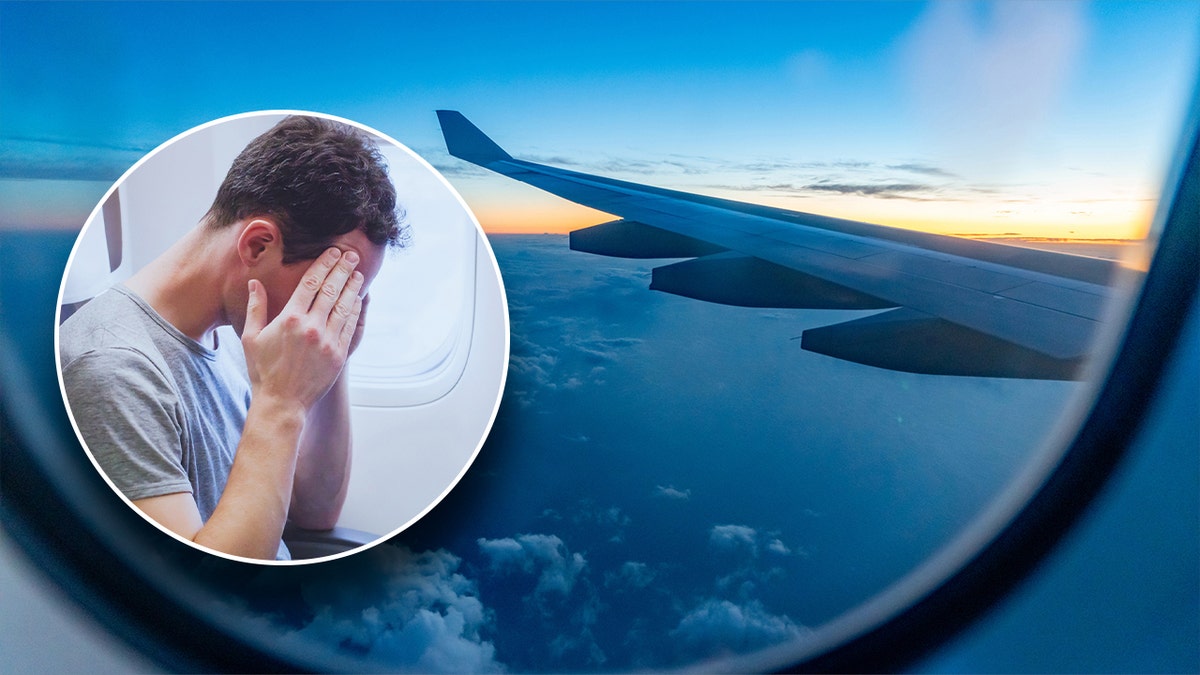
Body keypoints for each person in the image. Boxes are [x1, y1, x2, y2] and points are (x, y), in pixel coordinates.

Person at [59, 116, 405, 560]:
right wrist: (281, 403)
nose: (331, 310)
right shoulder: (113, 370)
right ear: (258, 246)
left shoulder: (248, 330)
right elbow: (201, 587)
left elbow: (315, 512)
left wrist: (333, 361)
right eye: (327, 290)